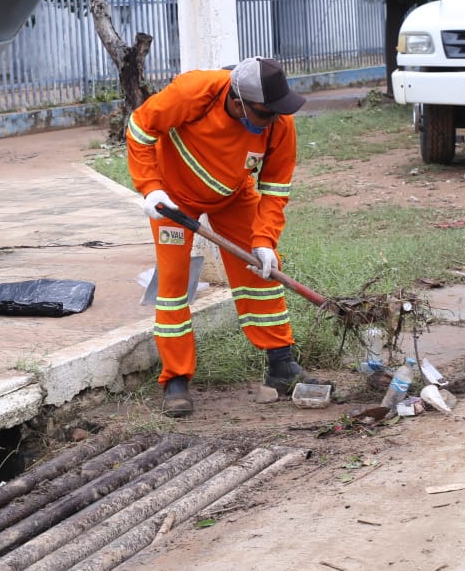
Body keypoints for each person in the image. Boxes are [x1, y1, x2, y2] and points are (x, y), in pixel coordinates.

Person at [126, 56, 324, 416]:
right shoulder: (192, 93)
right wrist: (151, 189)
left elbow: (276, 188)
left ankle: (281, 364)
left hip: (234, 196)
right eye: (265, 114)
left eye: (278, 113)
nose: (274, 121)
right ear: (237, 102)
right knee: (172, 288)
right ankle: (176, 380)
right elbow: (140, 128)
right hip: (174, 200)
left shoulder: (278, 121)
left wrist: (264, 240)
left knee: (262, 270)